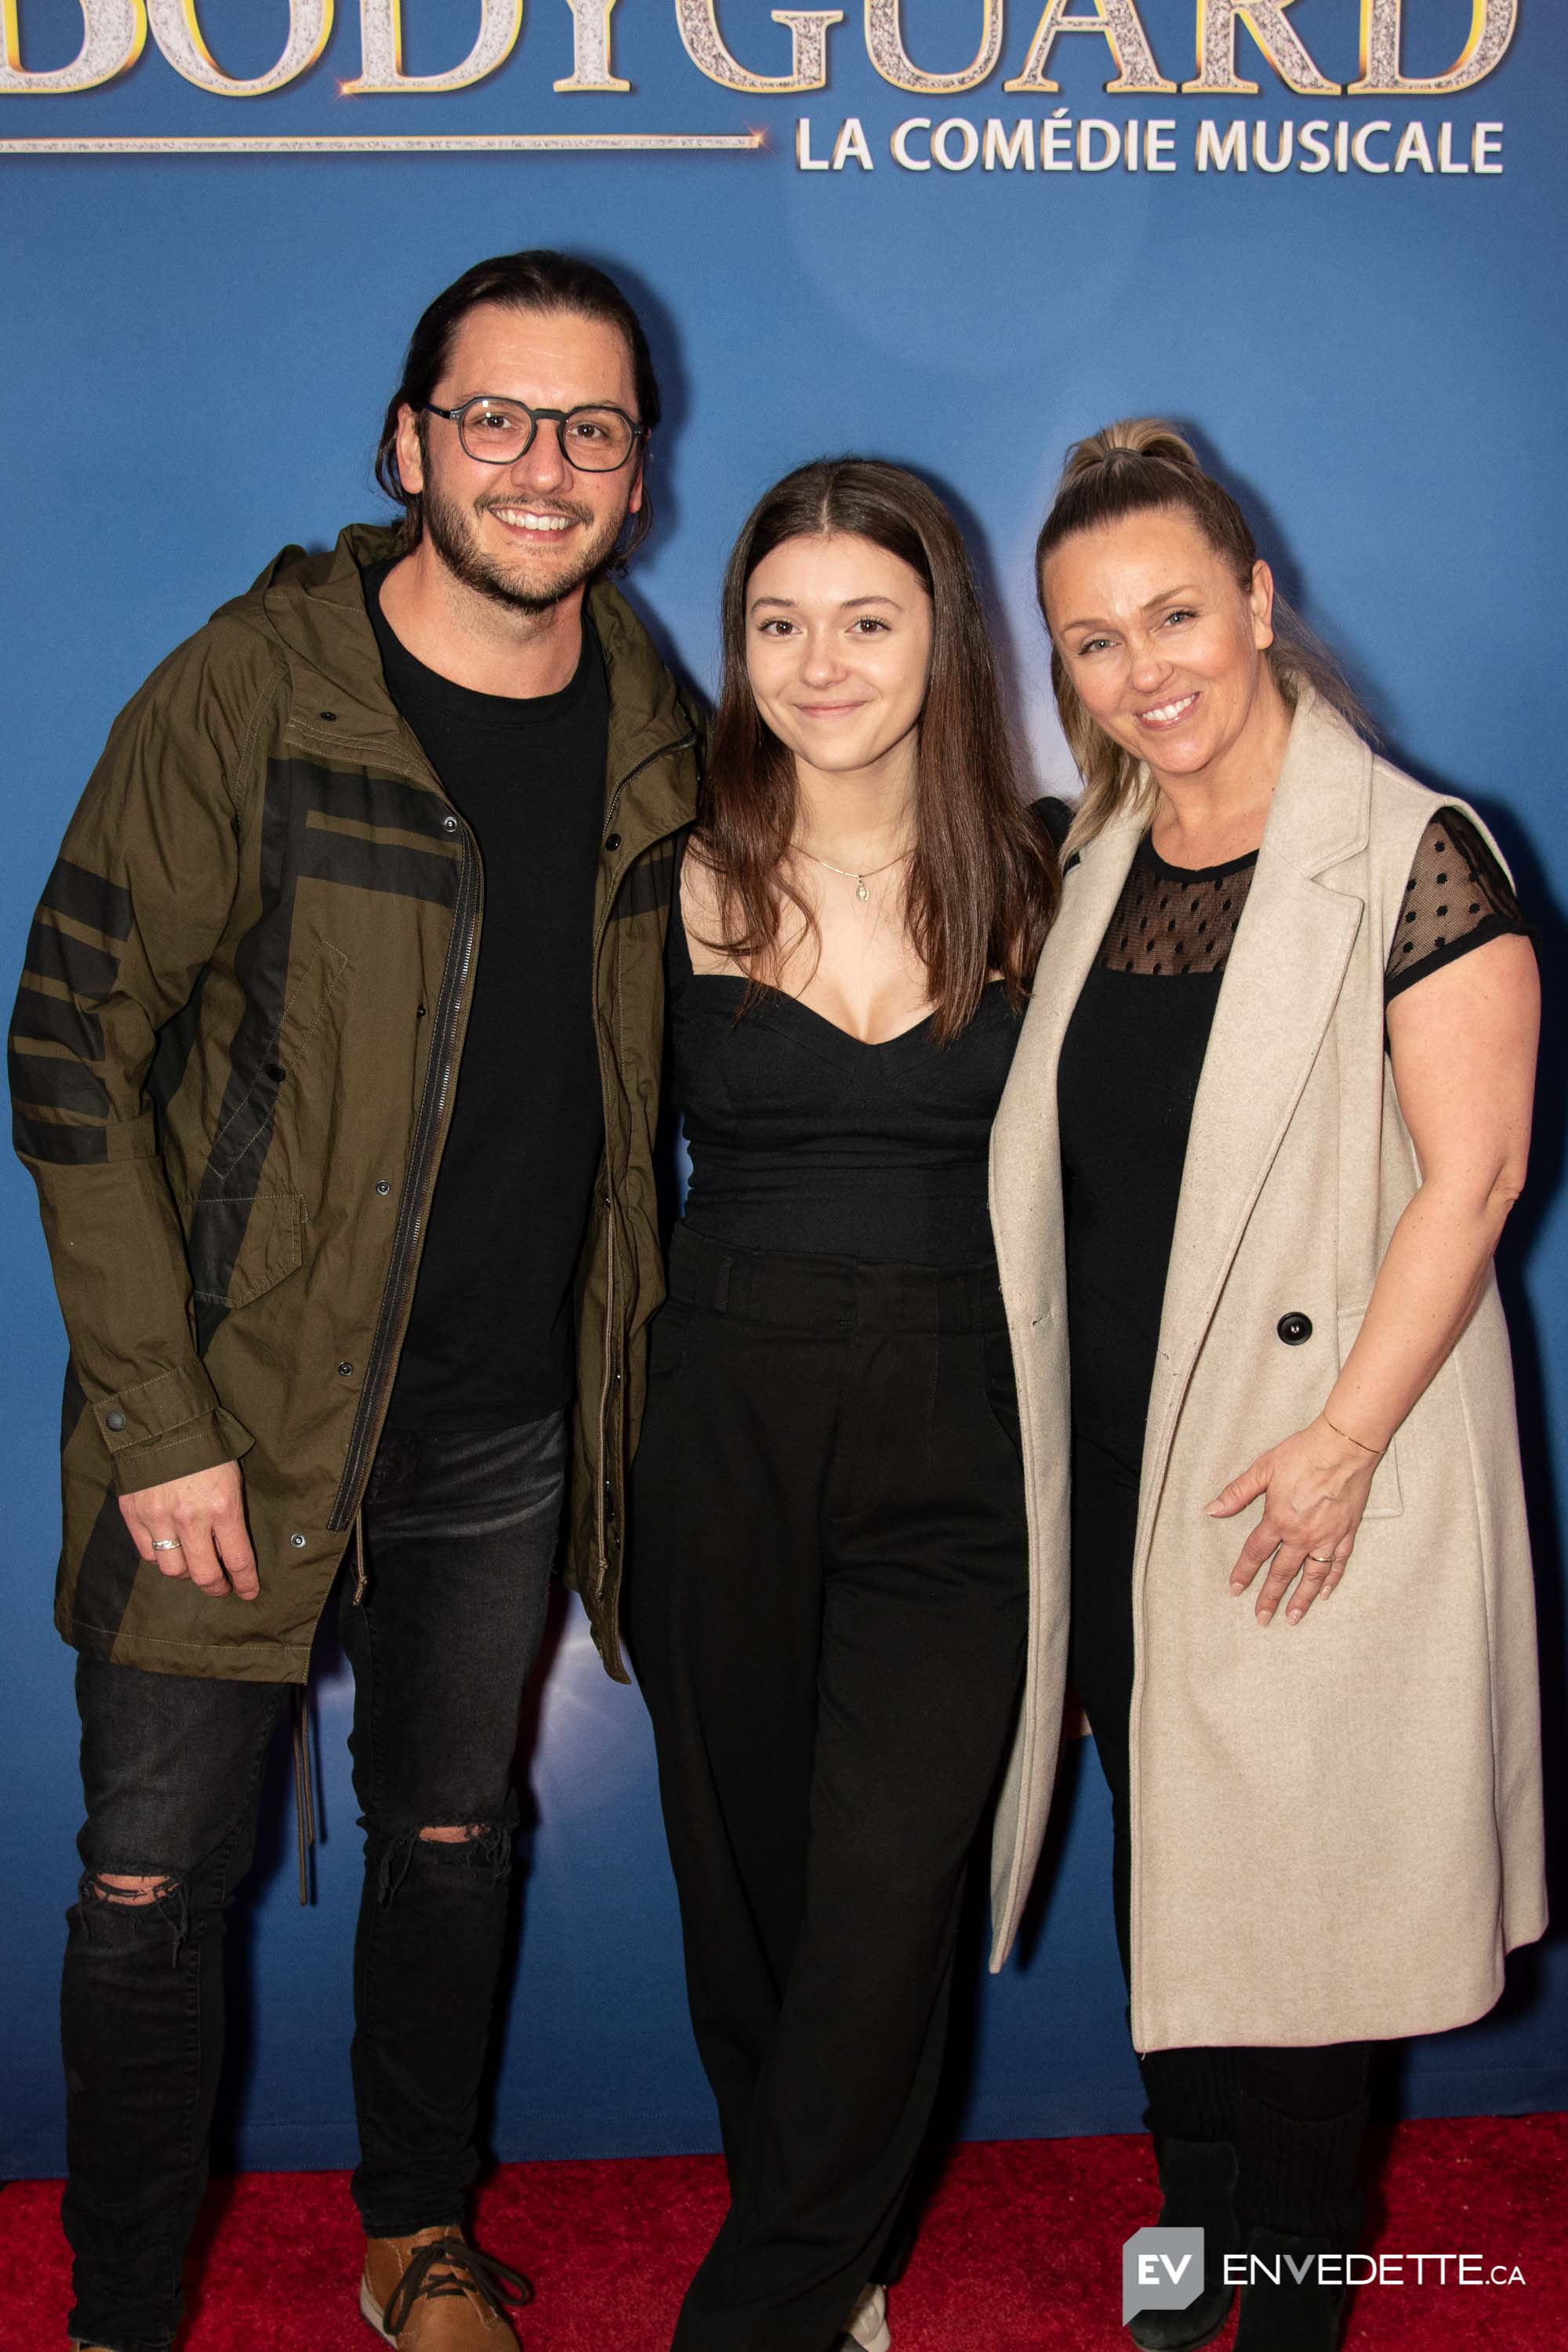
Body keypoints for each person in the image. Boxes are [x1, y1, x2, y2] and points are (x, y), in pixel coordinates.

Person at [9, 249, 699, 2352]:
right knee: (148, 1891)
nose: (542, 466)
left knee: (453, 1836)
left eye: (590, 427)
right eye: (495, 418)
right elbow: (66, 1045)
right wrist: (157, 1414)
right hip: (234, 1419)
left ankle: (419, 2237)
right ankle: (127, 2311)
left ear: (639, 477)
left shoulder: (663, 720)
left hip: (503, 1425)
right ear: (410, 443)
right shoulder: (254, 690)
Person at [986, 420, 1545, 2352]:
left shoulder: (1418, 852)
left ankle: (1293, 2310)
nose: (1143, 672)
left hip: (1320, 1462)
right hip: (1130, 1463)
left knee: (1302, 1937)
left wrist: (1336, 1446)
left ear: (1257, 603)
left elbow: (1470, 1180)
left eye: (1170, 615)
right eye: (1087, 641)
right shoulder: (1096, 857)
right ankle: (1189, 2241)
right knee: (1184, 1896)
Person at [627, 458, 1062, 2352]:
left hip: (965, 1444)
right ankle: (829, 2249)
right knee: (751, 1902)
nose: (819, 663)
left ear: (938, 637)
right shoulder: (664, 884)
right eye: (777, 622)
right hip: (719, 1422)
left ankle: (767, 2307)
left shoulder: (1051, 870)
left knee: (890, 1901)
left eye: (866, 620)